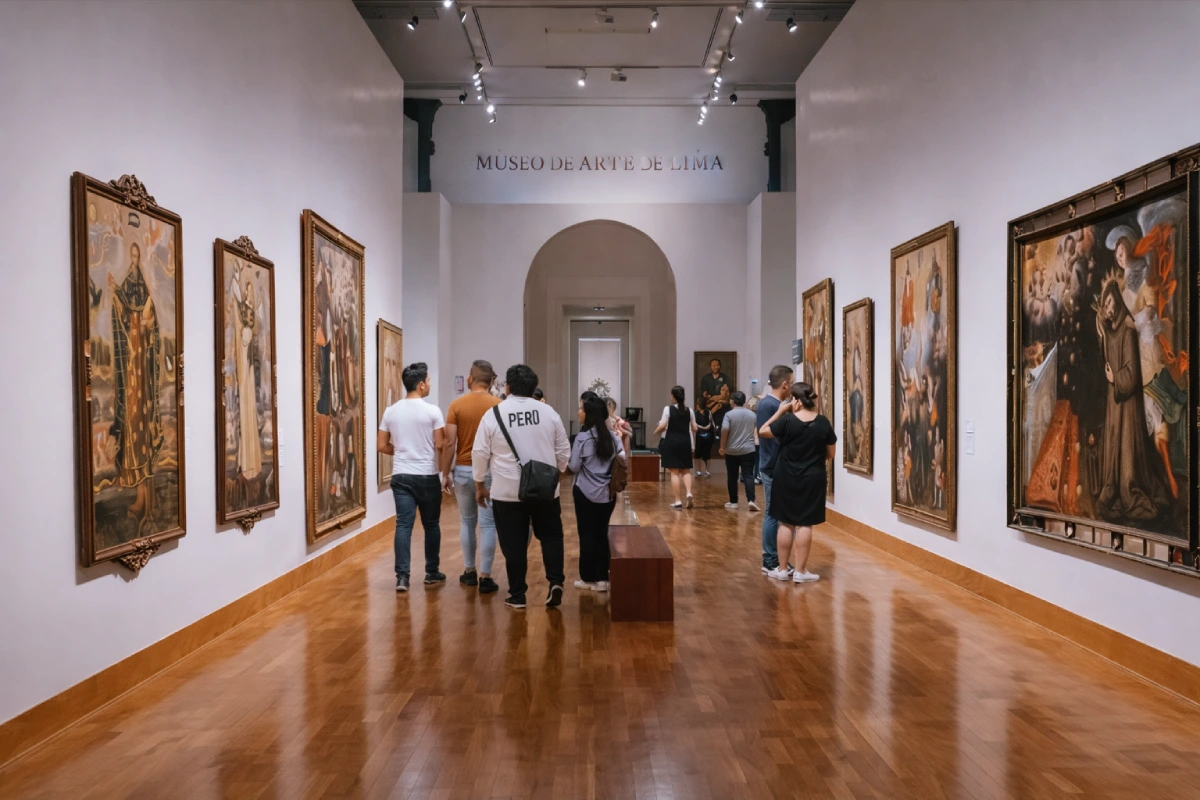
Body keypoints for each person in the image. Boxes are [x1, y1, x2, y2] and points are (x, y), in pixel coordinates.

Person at [473, 364, 571, 610]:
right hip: (545, 490)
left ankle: (517, 595)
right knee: (551, 536)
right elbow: (563, 451)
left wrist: (479, 484)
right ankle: (555, 582)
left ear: (507, 387)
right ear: (533, 387)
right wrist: (557, 474)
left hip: (507, 491)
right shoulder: (549, 413)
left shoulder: (493, 414)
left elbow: (480, 453)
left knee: (513, 543)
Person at [377, 362, 447, 593]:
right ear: (421, 384)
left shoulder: (391, 411)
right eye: (428, 380)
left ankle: (402, 577)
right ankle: (431, 572)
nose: (430, 384)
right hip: (426, 475)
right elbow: (440, 444)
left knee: (403, 525)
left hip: (401, 475)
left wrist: (400, 450)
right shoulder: (433, 411)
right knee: (431, 525)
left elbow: (381, 445)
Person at [108, 241, 162, 535]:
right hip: (131, 373)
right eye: (131, 255)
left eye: (136, 256)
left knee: (142, 428)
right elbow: (121, 312)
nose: (133, 260)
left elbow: (152, 326)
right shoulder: (128, 289)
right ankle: (141, 497)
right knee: (133, 427)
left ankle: (146, 501)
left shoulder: (145, 293)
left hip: (142, 375)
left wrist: (144, 325)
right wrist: (114, 290)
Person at [759, 382, 836, 584]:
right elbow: (831, 453)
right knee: (805, 523)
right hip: (812, 477)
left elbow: (763, 431)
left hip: (785, 475)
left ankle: (782, 570)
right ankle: (801, 572)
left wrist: (780, 412)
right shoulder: (823, 422)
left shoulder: (787, 421)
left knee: (786, 522)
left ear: (796, 401)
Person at [441, 360, 501, 594]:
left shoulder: (457, 405)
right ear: (491, 381)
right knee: (488, 524)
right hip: (489, 470)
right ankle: (486, 576)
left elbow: (449, 442)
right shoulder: (498, 406)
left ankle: (469, 571)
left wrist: (445, 472)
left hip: (464, 470)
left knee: (467, 521)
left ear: (470, 378)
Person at [569, 395, 624, 592]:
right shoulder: (614, 438)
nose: (579, 412)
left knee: (586, 534)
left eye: (582, 410)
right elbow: (622, 461)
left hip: (584, 493)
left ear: (589, 415)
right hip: (607, 494)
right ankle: (603, 579)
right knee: (602, 533)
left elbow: (574, 467)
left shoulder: (582, 438)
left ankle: (588, 578)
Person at [757, 365, 793, 574]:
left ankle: (775, 558)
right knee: (772, 513)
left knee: (776, 513)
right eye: (791, 382)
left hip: (776, 464)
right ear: (785, 384)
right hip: (772, 464)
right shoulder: (769, 405)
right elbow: (769, 433)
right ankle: (770, 559)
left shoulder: (773, 404)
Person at [653, 386, 697, 509]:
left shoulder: (668, 409)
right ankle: (689, 492)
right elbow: (695, 428)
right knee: (686, 470)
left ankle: (678, 501)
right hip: (685, 442)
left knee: (674, 472)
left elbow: (662, 425)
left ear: (673, 396)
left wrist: (656, 431)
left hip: (672, 442)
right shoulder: (690, 410)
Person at [719, 392, 759, 511]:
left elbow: (724, 430)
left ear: (732, 401)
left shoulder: (728, 415)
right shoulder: (752, 415)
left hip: (731, 450)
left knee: (732, 476)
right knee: (748, 475)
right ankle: (751, 500)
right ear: (744, 401)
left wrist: (722, 446)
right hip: (749, 449)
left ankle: (733, 502)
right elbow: (756, 430)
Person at [700, 358, 733, 429]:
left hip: (722, 406)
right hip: (710, 404)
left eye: (717, 365)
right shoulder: (705, 378)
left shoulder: (725, 378)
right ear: (710, 366)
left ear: (720, 366)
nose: (715, 367)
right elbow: (703, 390)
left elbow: (728, 392)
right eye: (713, 365)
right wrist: (705, 394)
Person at [693, 399, 714, 477]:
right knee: (698, 454)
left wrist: (703, 427)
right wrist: (702, 427)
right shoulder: (695, 414)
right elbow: (694, 424)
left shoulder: (708, 412)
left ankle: (707, 471)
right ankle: (698, 470)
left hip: (708, 436)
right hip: (699, 436)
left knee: (707, 454)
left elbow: (710, 423)